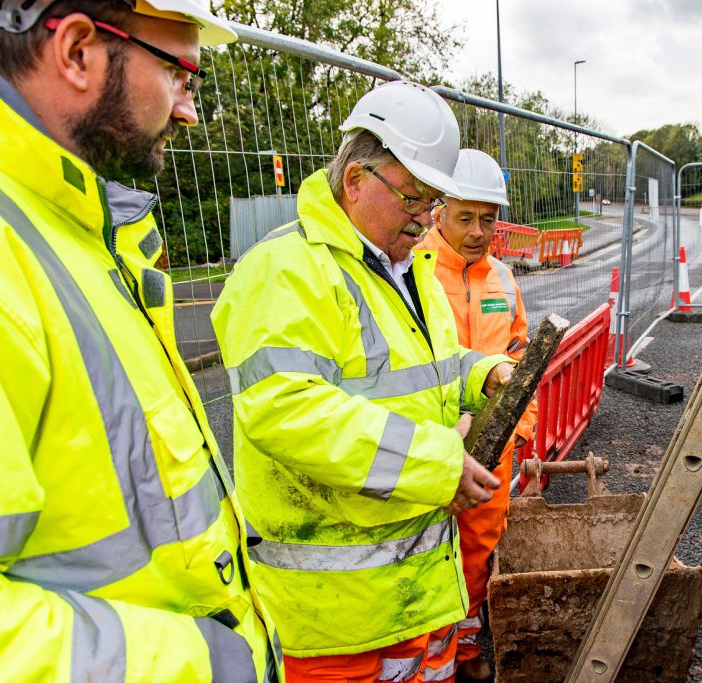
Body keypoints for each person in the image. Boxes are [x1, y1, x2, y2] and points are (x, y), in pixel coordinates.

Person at [0, 1, 281, 680]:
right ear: (77, 50)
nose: (188, 109)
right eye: (179, 73)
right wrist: (208, 662)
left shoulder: (53, 224)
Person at [210, 81, 516, 683]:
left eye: (433, 203)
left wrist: (485, 373)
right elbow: (286, 411)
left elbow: (435, 369)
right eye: (414, 199)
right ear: (355, 181)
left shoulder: (408, 266)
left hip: (415, 592)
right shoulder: (285, 271)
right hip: (335, 618)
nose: (426, 219)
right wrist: (437, 464)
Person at [417, 150, 538, 682]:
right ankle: (433, 659)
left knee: (479, 553)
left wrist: (523, 429)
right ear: (439, 210)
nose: (476, 231)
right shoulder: (412, 271)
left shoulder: (503, 280)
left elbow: (521, 354)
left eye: (487, 219)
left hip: (496, 447)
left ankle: (465, 653)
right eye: (464, 217)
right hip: (435, 448)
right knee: (427, 556)